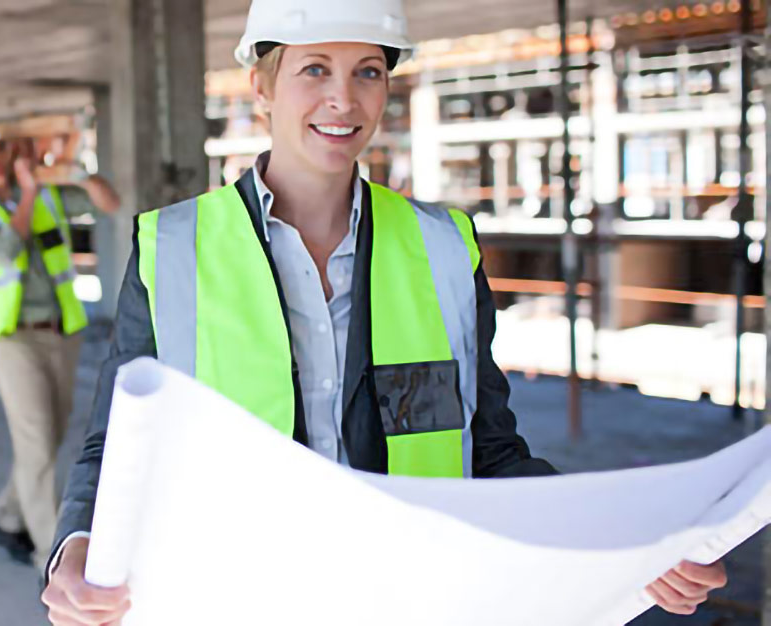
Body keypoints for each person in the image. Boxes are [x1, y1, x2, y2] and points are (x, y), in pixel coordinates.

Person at [40, 0, 728, 622]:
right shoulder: (172, 247)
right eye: (314, 69)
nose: (343, 99)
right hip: (236, 596)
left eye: (367, 72)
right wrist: (78, 541)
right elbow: (118, 443)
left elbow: (489, 449)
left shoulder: (444, 247)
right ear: (262, 87)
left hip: (411, 599)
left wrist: (621, 537)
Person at [0, 114, 121, 569]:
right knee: (38, 446)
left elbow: (109, 203)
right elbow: (5, 253)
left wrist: (73, 170)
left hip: (61, 332)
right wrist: (30, 194)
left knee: (47, 439)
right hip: (14, 340)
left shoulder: (43, 192)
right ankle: (51, 557)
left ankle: (7, 514)